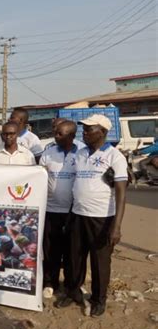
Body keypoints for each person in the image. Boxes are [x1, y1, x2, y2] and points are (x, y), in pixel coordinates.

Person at [56, 114, 127, 318]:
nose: (85, 133)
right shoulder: (80, 154)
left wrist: (117, 226)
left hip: (102, 218)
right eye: (84, 129)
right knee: (74, 257)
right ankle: (73, 291)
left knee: (100, 261)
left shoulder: (115, 156)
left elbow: (122, 193)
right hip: (78, 214)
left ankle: (99, 299)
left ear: (103, 132)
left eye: (89, 129)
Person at [39, 120, 79, 299]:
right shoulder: (48, 153)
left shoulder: (82, 153)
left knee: (72, 251)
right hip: (51, 209)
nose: (56, 136)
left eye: (60, 134)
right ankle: (50, 282)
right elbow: (39, 177)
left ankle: (71, 285)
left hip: (74, 212)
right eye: (56, 133)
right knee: (50, 250)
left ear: (71, 135)